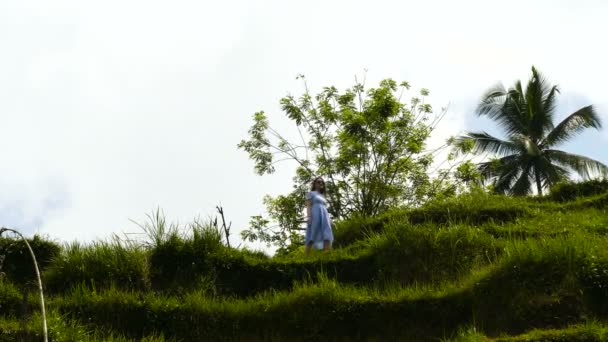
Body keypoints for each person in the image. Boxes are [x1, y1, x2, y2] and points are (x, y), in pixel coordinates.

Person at [305, 177, 334, 255]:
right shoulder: (311, 193)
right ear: (314, 184)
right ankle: (306, 255)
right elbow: (309, 206)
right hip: (315, 214)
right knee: (313, 233)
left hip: (325, 215)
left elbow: (325, 208)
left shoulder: (323, 196)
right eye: (319, 182)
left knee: (327, 232)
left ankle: (326, 253)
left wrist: (330, 219)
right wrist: (309, 217)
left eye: (322, 182)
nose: (321, 183)